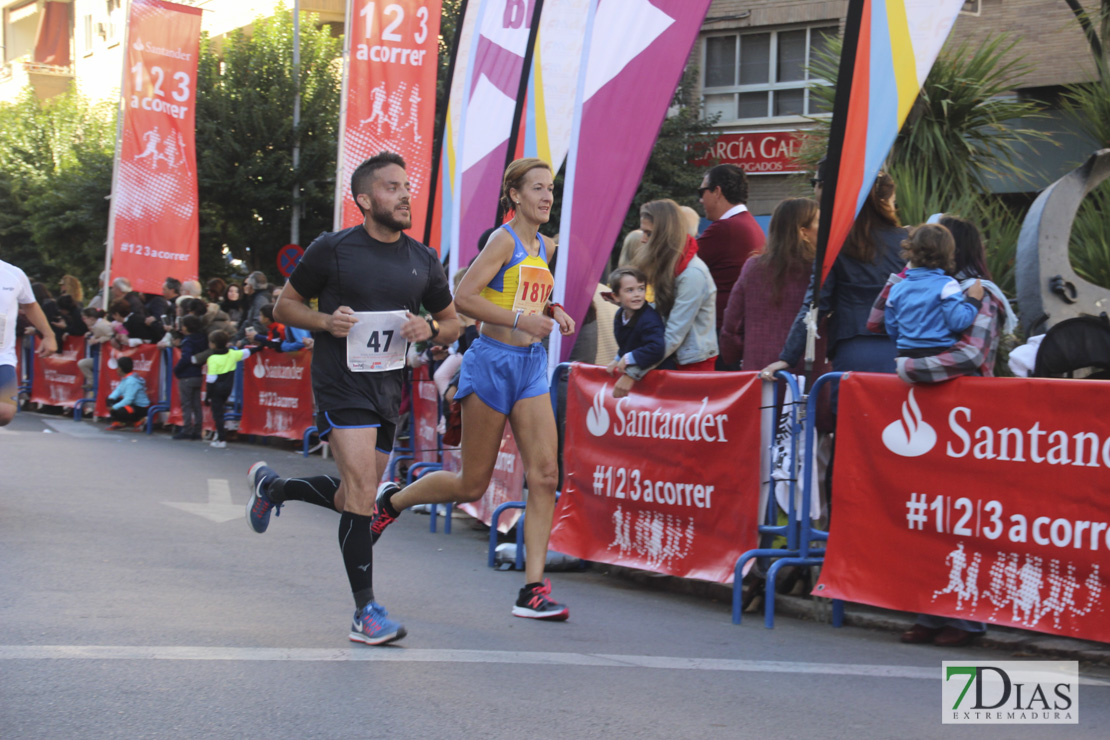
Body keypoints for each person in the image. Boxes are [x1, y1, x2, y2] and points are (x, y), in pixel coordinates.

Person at [243, 151, 461, 645]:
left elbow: (453, 321)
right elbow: (285, 305)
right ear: (364, 200)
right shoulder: (333, 248)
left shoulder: (423, 259)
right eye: (392, 187)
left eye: (407, 186)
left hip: (389, 390)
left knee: (350, 497)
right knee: (363, 493)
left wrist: (428, 327)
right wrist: (325, 322)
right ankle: (366, 612)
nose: (405, 194)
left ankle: (274, 490)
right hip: (341, 383)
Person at [361, 156, 574, 621]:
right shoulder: (503, 240)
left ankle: (532, 589)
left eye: (551, 190)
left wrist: (551, 308)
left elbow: (525, 291)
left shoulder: (547, 246)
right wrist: (521, 320)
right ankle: (393, 500)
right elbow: (465, 300)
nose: (546, 197)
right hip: (492, 363)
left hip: (532, 365)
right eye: (537, 188)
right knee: (471, 482)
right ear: (514, 195)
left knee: (545, 476)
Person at [868, 215, 1014, 647]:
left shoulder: (980, 295)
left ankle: (966, 618)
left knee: (963, 521)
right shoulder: (925, 286)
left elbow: (971, 355)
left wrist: (910, 368)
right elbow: (879, 322)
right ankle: (929, 611)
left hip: (968, 424)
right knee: (927, 518)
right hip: (929, 416)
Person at [763, 172, 908, 383]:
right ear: (885, 202)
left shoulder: (835, 243)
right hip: (900, 348)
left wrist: (788, 357)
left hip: (852, 345)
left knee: (847, 413)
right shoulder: (908, 241)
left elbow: (815, 304)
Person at [615, 199, 717, 398]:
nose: (643, 239)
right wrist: (623, 358)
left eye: (649, 233)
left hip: (691, 367)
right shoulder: (670, 265)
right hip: (672, 361)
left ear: (665, 235)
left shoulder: (692, 274)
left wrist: (632, 371)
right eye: (643, 231)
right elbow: (652, 324)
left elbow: (672, 336)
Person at [719, 197, 827, 373]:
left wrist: (738, 355)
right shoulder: (821, 272)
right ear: (803, 232)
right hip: (809, 372)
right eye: (820, 222)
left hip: (760, 369)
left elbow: (732, 326)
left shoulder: (753, 267)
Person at [884, 223, 984, 359]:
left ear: (910, 251)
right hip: (939, 352)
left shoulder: (896, 288)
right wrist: (974, 301)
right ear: (949, 254)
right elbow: (958, 322)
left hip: (906, 354)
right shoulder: (947, 285)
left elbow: (892, 327)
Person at [696, 164, 765, 335]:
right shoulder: (747, 223)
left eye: (702, 192)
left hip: (721, 329)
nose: (701, 200)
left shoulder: (726, 228)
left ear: (717, 191)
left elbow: (678, 265)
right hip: (736, 325)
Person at [1, 259, 57, 426]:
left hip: (2, 356)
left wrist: (49, 335)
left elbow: (30, 305)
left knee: (4, 412)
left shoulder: (13, 274)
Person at [605, 266, 671, 385]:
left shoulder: (649, 318)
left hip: (660, 377)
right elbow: (627, 344)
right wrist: (617, 359)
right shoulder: (619, 316)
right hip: (641, 376)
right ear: (615, 296)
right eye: (630, 290)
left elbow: (656, 348)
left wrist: (629, 357)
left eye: (641, 289)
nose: (637, 294)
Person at [203, 330, 250, 449]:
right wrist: (261, 346)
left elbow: (211, 379)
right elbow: (247, 352)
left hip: (216, 389)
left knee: (218, 414)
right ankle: (219, 436)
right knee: (221, 412)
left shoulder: (213, 358)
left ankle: (221, 439)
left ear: (213, 344)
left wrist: (207, 396)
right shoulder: (232, 354)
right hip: (227, 388)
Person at [173, 314, 207, 440]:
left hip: (187, 374)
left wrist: (177, 369)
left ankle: (187, 429)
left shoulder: (188, 340)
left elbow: (186, 357)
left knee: (186, 404)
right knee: (197, 404)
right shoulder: (202, 338)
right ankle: (197, 430)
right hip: (198, 374)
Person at [105, 355, 151, 430]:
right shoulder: (125, 378)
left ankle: (139, 420)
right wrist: (110, 400)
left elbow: (128, 400)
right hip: (133, 404)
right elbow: (118, 390)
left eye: (117, 367)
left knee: (121, 409)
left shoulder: (131, 381)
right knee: (110, 400)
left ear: (120, 369)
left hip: (140, 407)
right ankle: (120, 421)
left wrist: (114, 407)